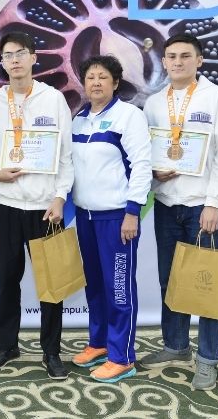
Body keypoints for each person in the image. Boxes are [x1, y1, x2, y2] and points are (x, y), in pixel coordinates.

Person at [141, 32, 218, 390]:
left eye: (185, 56)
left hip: (202, 206)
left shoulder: (216, 97)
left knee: (206, 285)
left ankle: (208, 359)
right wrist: (154, 173)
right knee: (170, 280)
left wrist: (215, 202)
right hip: (167, 204)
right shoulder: (154, 102)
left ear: (199, 60)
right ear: (164, 61)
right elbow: (147, 150)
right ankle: (176, 345)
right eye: (171, 56)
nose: (178, 62)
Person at [0, 31, 74, 380]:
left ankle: (51, 351)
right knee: (8, 279)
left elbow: (65, 155)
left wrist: (60, 197)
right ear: (2, 63)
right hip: (6, 205)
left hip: (45, 207)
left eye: (20, 53)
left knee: (52, 283)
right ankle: (7, 345)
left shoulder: (54, 99)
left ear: (34, 58)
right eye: (8, 55)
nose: (15, 60)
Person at [70, 55, 152, 383]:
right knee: (95, 285)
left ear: (115, 83)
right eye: (90, 77)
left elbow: (142, 165)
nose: (96, 83)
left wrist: (132, 212)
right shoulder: (79, 120)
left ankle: (122, 357)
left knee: (119, 289)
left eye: (103, 77)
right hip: (86, 217)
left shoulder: (129, 116)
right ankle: (100, 343)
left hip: (117, 218)